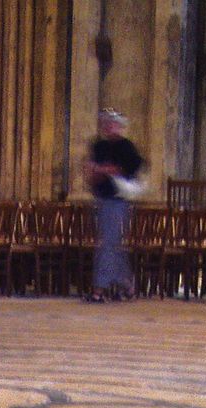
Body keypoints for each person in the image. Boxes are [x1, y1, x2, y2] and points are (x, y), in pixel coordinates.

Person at [85, 110, 144, 302]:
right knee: (112, 245)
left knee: (108, 244)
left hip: (118, 201)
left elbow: (129, 170)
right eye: (106, 123)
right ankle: (127, 284)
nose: (109, 126)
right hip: (101, 199)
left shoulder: (126, 147)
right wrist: (100, 171)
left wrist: (108, 170)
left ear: (120, 126)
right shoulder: (99, 145)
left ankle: (99, 289)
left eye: (113, 123)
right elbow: (91, 172)